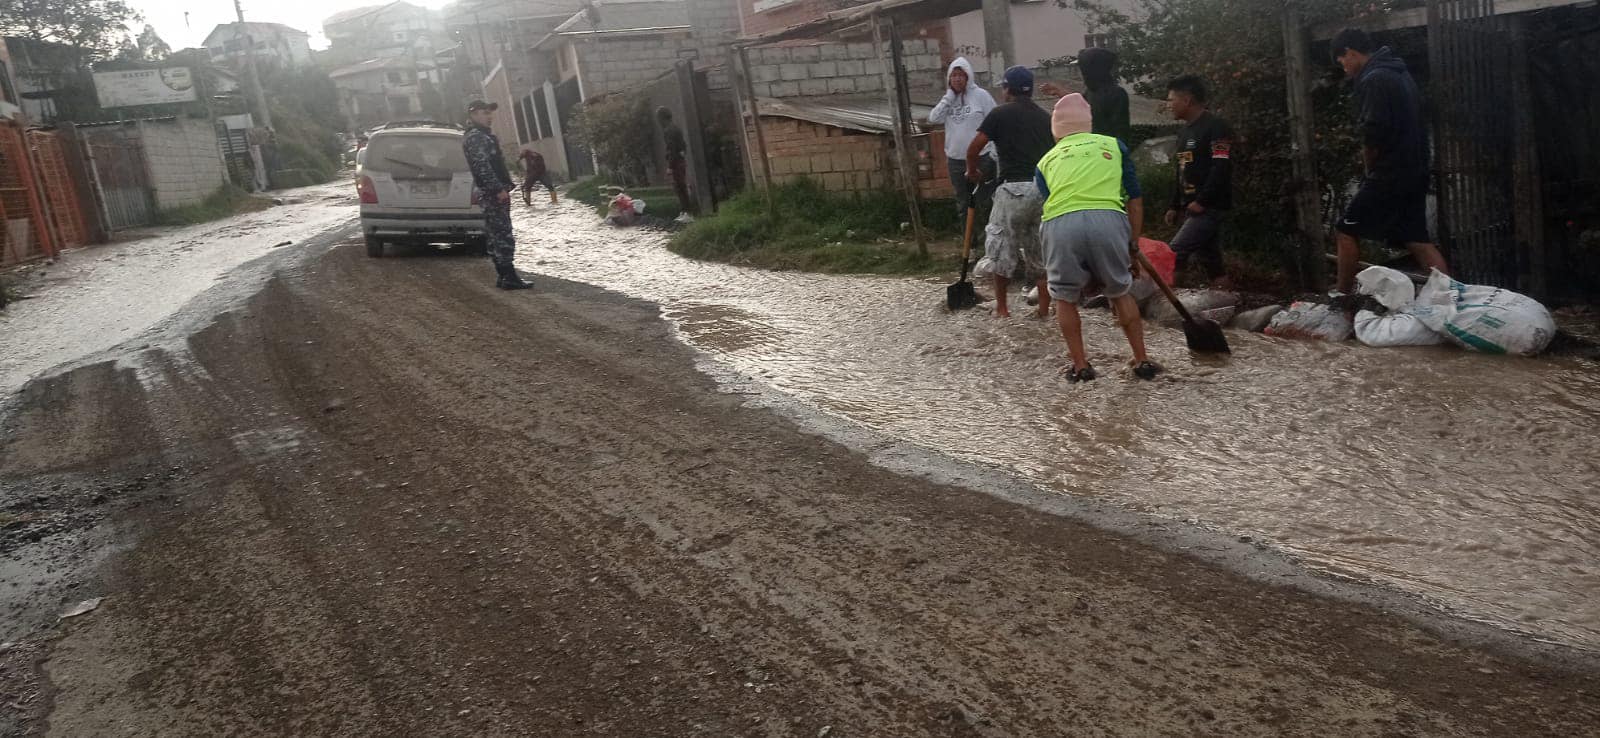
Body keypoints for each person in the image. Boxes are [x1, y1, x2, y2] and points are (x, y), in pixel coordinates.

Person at [1035, 94, 1158, 382]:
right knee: (1119, 289)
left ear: (1056, 129)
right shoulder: (1114, 146)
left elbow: (1051, 201)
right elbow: (1135, 200)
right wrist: (1132, 244)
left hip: (1059, 222)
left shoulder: (1045, 161)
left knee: (1064, 297)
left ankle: (1081, 367)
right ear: (1088, 124)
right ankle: (1142, 361)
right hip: (1108, 218)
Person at [1330, 28, 1449, 300]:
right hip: (1415, 168)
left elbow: (1373, 134)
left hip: (1391, 171)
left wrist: (1371, 170)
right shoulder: (1400, 73)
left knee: (1345, 230)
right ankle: (1451, 299)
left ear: (1350, 52)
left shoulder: (1374, 79)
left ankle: (1340, 300)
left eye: (1343, 61)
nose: (1345, 68)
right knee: (1416, 238)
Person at [966, 66, 1056, 319]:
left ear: (1008, 89)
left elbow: (974, 149)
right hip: (1042, 190)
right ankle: (1043, 310)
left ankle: (1003, 309)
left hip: (1012, 190)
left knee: (1001, 248)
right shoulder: (1045, 117)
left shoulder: (998, 114)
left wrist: (972, 172)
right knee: (1038, 252)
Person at [1164, 75, 1234, 288]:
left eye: (1171, 100)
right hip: (1191, 206)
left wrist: (1202, 201)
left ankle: (1171, 303)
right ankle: (1227, 303)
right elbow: (1181, 169)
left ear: (1187, 100)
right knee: (1212, 262)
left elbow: (1222, 166)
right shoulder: (1184, 131)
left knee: (1174, 253)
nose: (1168, 105)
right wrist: (1174, 205)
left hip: (1209, 207)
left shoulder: (1216, 126)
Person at [461, 100, 531, 290]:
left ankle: (504, 275)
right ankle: (508, 277)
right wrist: (498, 189)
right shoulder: (476, 137)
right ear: (473, 115)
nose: (489, 116)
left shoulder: (482, 135)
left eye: (490, 113)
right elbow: (482, 166)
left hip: (492, 191)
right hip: (492, 193)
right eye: (484, 113)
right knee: (502, 234)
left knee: (496, 234)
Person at [928, 56, 997, 218]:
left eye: (961, 75)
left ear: (968, 77)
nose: (957, 79)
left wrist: (994, 153)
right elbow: (934, 118)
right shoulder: (948, 99)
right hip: (956, 161)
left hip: (982, 158)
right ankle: (969, 241)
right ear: (949, 78)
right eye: (954, 75)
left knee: (985, 200)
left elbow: (995, 123)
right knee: (963, 202)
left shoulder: (981, 96)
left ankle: (988, 239)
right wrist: (950, 96)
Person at [656, 107, 696, 218]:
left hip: (676, 162)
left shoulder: (668, 130)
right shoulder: (676, 128)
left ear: (662, 118)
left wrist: (670, 166)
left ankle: (687, 212)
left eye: (658, 118)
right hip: (680, 160)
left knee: (680, 187)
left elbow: (671, 149)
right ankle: (685, 212)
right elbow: (683, 145)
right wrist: (682, 153)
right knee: (681, 186)